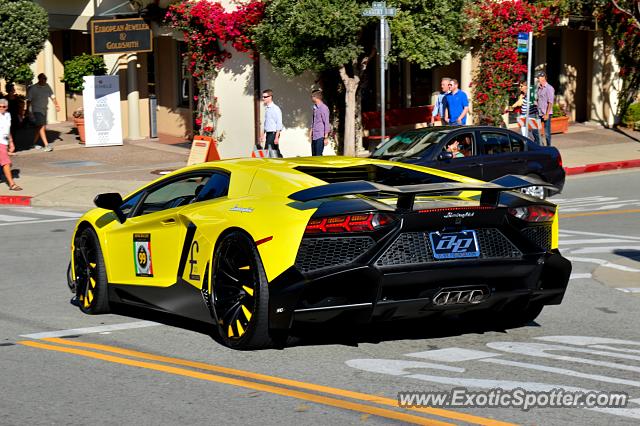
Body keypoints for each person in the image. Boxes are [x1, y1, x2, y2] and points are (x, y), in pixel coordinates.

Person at [26, 73, 59, 152]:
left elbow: (52, 96)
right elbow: (29, 100)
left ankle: (33, 143)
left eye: (45, 79)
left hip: (44, 110)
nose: (44, 80)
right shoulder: (33, 88)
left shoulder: (47, 86)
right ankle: (46, 145)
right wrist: (27, 110)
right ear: (39, 79)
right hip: (36, 110)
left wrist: (57, 105)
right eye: (43, 79)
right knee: (41, 126)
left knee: (40, 127)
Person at [0, 99, 21, 190]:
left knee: (4, 162)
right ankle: (12, 184)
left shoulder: (8, 115)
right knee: (6, 162)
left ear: (7, 107)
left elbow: (7, 130)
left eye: (3, 106)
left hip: (4, 142)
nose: (1, 108)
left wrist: (11, 142)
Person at [260, 89, 283, 157]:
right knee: (274, 152)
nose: (263, 98)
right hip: (268, 133)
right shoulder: (267, 108)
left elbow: (279, 123)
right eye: (263, 97)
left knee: (268, 152)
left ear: (270, 97)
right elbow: (266, 122)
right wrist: (262, 134)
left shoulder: (275, 108)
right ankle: (281, 162)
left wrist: (276, 137)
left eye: (265, 97)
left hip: (273, 133)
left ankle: (279, 162)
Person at [534, 70, 554, 146]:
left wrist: (547, 114)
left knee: (547, 132)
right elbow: (538, 100)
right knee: (536, 130)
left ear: (543, 77)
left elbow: (550, 102)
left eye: (538, 77)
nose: (537, 79)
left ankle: (549, 146)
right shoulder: (539, 88)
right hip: (538, 113)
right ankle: (539, 145)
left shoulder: (549, 88)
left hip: (546, 113)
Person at [309, 89, 330, 156]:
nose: (311, 98)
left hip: (320, 136)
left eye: (311, 97)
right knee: (314, 156)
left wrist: (326, 138)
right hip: (314, 136)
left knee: (318, 156)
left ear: (315, 97)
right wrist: (310, 133)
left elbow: (326, 123)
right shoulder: (315, 108)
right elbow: (313, 121)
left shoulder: (323, 108)